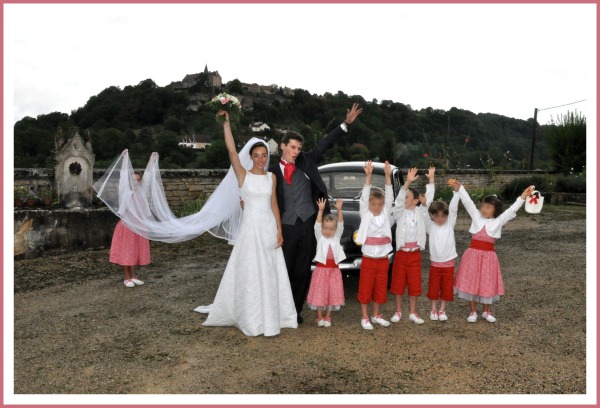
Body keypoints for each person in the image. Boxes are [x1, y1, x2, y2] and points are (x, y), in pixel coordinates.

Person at [201, 111, 298, 336]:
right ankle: (252, 316)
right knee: (250, 272)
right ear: (251, 157)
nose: (261, 159)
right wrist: (226, 124)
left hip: (268, 228)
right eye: (257, 155)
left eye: (264, 155)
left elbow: (274, 204)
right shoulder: (242, 175)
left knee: (270, 271)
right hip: (250, 229)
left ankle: (273, 315)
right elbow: (232, 151)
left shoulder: (271, 177)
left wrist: (279, 230)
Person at [269, 103, 363, 324]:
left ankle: (294, 312)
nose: (296, 152)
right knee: (283, 270)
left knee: (302, 272)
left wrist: (346, 124)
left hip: (309, 225)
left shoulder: (307, 161)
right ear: (282, 146)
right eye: (292, 147)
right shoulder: (271, 172)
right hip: (286, 227)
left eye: (298, 148)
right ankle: (279, 309)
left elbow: (326, 143)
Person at [451, 179, 535, 323]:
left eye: (488, 207)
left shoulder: (499, 221)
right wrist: (460, 188)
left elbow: (512, 210)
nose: (484, 209)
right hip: (472, 255)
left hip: (489, 257)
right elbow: (468, 203)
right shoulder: (476, 216)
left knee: (487, 282)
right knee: (471, 281)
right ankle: (472, 311)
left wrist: (523, 196)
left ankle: (486, 311)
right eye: (483, 206)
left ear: (495, 211)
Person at [390, 167, 434, 325]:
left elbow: (428, 199)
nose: (405, 199)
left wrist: (431, 181)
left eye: (409, 197)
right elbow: (399, 200)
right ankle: (398, 311)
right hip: (401, 254)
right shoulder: (398, 212)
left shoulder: (421, 212)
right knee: (398, 283)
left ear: (415, 201)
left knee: (414, 284)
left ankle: (413, 312)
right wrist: (407, 183)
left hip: (415, 254)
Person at [355, 160, 394, 330]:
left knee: (380, 288)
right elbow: (365, 195)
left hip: (383, 258)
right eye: (373, 204)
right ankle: (364, 316)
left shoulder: (386, 213)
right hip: (369, 258)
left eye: (379, 204)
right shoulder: (365, 213)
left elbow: (390, 195)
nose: (376, 207)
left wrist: (387, 175)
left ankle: (376, 314)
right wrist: (368, 176)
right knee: (365, 288)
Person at [423, 180, 460, 321]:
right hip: (435, 264)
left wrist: (456, 193)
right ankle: (433, 310)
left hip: (449, 263)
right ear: (432, 216)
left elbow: (454, 208)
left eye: (443, 216)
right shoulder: (430, 226)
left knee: (446, 288)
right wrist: (430, 184)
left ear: (447, 216)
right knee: (433, 288)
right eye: (436, 216)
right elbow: (425, 212)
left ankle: (442, 310)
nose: (440, 219)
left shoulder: (450, 223)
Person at [306, 198, 346, 327]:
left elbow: (340, 223)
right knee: (320, 293)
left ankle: (328, 316)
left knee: (331, 293)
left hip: (334, 270)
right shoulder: (320, 237)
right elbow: (317, 224)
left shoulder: (336, 237)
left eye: (331, 229)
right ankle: (319, 317)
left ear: (335, 230)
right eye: (326, 228)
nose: (328, 231)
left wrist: (339, 210)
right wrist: (321, 210)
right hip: (321, 270)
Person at [109, 171, 149, 288]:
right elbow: (122, 183)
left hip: (138, 227)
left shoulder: (141, 194)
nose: (135, 182)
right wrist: (125, 158)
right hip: (126, 227)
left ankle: (133, 276)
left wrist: (152, 160)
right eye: (133, 180)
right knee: (126, 252)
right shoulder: (126, 193)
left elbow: (148, 179)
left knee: (134, 252)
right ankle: (126, 277)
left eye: (138, 180)